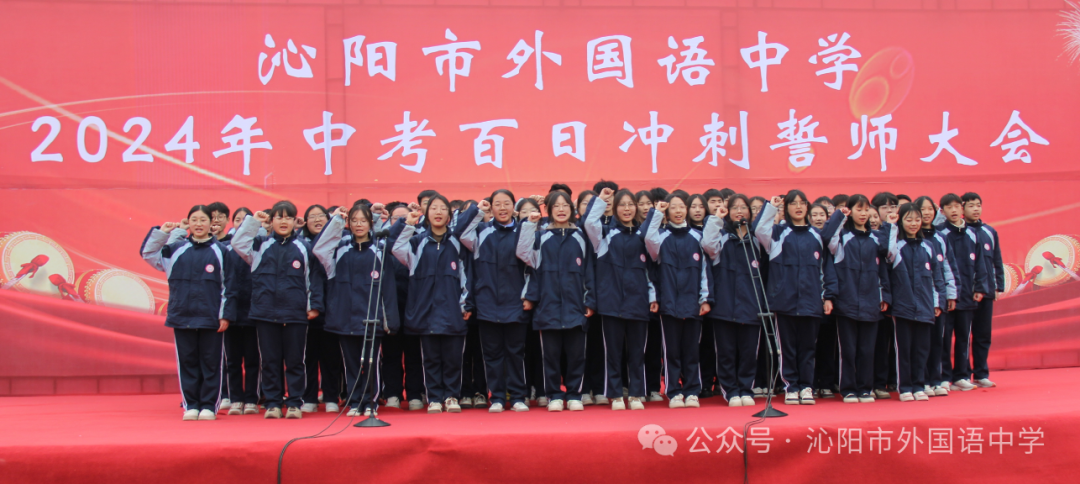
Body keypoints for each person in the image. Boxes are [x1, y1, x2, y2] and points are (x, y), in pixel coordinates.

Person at [232, 201, 325, 419]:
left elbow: (314, 280)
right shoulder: (259, 246)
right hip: (265, 313)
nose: (283, 221)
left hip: (296, 314)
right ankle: (273, 403)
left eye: (288, 218)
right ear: (271, 221)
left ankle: (294, 402)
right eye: (279, 217)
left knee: (295, 361)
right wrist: (254, 222)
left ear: (295, 222)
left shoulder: (304, 247)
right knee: (270, 361)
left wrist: (314, 306)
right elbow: (238, 242)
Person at [390, 194, 482, 413]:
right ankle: (434, 398)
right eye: (434, 209)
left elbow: (466, 277)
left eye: (443, 209)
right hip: (425, 311)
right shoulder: (417, 242)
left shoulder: (457, 243)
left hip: (452, 311)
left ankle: (451, 396)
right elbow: (394, 246)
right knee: (430, 359)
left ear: (450, 216)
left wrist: (466, 305)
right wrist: (406, 223)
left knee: (452, 359)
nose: (438, 212)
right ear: (426, 214)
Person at [142, 205, 236, 421]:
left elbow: (229, 287)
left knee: (211, 363)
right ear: (189, 223)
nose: (199, 224)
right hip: (182, 315)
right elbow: (148, 253)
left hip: (211, 317)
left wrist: (225, 315)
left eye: (203, 220)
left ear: (210, 224)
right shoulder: (175, 250)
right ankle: (191, 405)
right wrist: (163, 233)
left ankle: (209, 407)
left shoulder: (220, 251)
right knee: (188, 362)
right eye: (194, 220)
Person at [313, 205, 400, 416]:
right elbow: (318, 249)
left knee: (371, 363)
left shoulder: (379, 249)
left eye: (363, 220)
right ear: (348, 224)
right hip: (344, 318)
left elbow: (387, 288)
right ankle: (354, 402)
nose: (358, 224)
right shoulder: (340, 248)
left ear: (371, 224)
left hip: (372, 318)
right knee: (350, 364)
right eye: (354, 220)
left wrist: (389, 320)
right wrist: (335, 221)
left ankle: (370, 402)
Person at [516, 190, 596, 412]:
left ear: (571, 210)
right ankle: (553, 395)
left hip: (575, 306)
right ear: (549, 211)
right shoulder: (541, 236)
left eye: (565, 206)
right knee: (549, 357)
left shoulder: (581, 236)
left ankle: (574, 395)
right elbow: (524, 254)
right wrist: (530, 225)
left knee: (576, 356)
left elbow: (589, 270)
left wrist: (589, 301)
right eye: (556, 206)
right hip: (547, 306)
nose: (561, 210)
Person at [753, 191, 835, 406]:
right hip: (785, 301)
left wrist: (827, 296)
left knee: (808, 347)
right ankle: (791, 386)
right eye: (793, 203)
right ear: (786, 208)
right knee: (787, 347)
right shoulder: (778, 233)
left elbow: (825, 270)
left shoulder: (817, 235)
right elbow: (759, 229)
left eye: (802, 203)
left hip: (811, 301)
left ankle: (806, 386)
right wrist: (771, 207)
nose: (798, 207)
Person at [458, 191, 535, 413]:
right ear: (490, 208)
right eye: (497, 204)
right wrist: (476, 210)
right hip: (487, 303)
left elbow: (532, 266)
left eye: (507, 204)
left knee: (515, 353)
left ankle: (518, 396)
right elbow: (459, 231)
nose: (502, 208)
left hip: (516, 303)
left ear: (514, 207)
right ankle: (498, 398)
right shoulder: (481, 232)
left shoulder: (523, 230)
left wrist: (529, 297)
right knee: (492, 355)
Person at [582, 188, 655, 410]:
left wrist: (652, 296)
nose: (626, 208)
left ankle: (635, 394)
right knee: (612, 353)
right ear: (613, 208)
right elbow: (588, 223)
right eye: (621, 204)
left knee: (636, 353)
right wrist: (601, 199)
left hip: (638, 302)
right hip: (611, 303)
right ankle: (614, 394)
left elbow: (651, 270)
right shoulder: (604, 235)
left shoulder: (644, 236)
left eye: (630, 204)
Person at [821, 195, 894, 404]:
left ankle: (865, 388)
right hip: (847, 302)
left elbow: (887, 259)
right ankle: (849, 389)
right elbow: (826, 238)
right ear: (850, 211)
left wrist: (885, 295)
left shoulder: (876, 238)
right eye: (858, 209)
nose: (863, 214)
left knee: (867, 350)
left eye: (866, 210)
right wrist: (838, 216)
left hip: (872, 302)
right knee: (848, 350)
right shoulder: (842, 237)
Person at [644, 193, 713, 409]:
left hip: (693, 303)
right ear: (667, 212)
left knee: (692, 350)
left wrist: (705, 299)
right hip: (669, 303)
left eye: (682, 207)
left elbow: (704, 271)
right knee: (671, 351)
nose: (678, 211)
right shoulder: (660, 237)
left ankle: (692, 390)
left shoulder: (698, 237)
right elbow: (647, 239)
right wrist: (657, 213)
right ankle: (674, 391)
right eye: (673, 208)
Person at [701, 195, 765, 408]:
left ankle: (746, 388)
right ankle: (730, 390)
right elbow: (707, 245)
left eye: (743, 207)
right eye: (734, 207)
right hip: (725, 305)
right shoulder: (723, 237)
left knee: (749, 352)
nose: (739, 211)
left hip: (752, 305)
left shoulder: (757, 239)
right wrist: (716, 219)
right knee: (726, 352)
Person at [887, 202, 946, 402]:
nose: (913, 224)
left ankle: (919, 385)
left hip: (926, 307)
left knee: (922, 350)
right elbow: (887, 251)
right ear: (901, 221)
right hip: (903, 307)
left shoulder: (928, 246)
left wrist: (938, 303)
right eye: (908, 219)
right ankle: (905, 387)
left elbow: (937, 278)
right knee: (904, 349)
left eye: (917, 220)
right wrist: (892, 226)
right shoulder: (897, 246)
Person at [936, 193, 989, 392]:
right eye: (949, 208)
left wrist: (979, 287)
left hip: (967, 294)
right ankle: (944, 376)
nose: (955, 210)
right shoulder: (940, 233)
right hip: (947, 296)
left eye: (957, 206)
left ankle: (962, 375)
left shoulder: (972, 233)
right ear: (942, 211)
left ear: (962, 208)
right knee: (944, 337)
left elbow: (981, 263)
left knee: (963, 337)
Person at [379, 203, 426, 411]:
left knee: (415, 353)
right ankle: (393, 393)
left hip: (414, 306)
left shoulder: (418, 242)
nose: (400, 221)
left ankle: (415, 393)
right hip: (391, 308)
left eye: (405, 218)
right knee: (391, 354)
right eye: (396, 219)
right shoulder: (383, 244)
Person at [299, 204, 343, 413]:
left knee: (331, 357)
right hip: (306, 311)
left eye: (321, 216)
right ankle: (308, 397)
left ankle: (331, 395)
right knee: (308, 357)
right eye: (311, 217)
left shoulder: (340, 243)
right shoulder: (299, 244)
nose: (317, 220)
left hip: (333, 309)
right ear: (305, 222)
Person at [915, 196, 957, 397]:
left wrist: (950, 293)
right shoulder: (912, 238)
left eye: (930, 209)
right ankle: (921, 381)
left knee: (938, 341)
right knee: (921, 343)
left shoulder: (941, 237)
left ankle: (936, 378)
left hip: (938, 296)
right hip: (919, 298)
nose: (926, 213)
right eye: (922, 210)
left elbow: (947, 267)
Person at [961, 192, 1002, 388]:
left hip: (986, 290)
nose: (975, 209)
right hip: (966, 291)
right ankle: (962, 374)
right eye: (971, 205)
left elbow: (996, 260)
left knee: (983, 333)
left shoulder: (990, 231)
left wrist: (998, 286)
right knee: (964, 335)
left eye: (978, 205)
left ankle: (981, 373)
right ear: (962, 209)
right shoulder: (959, 232)